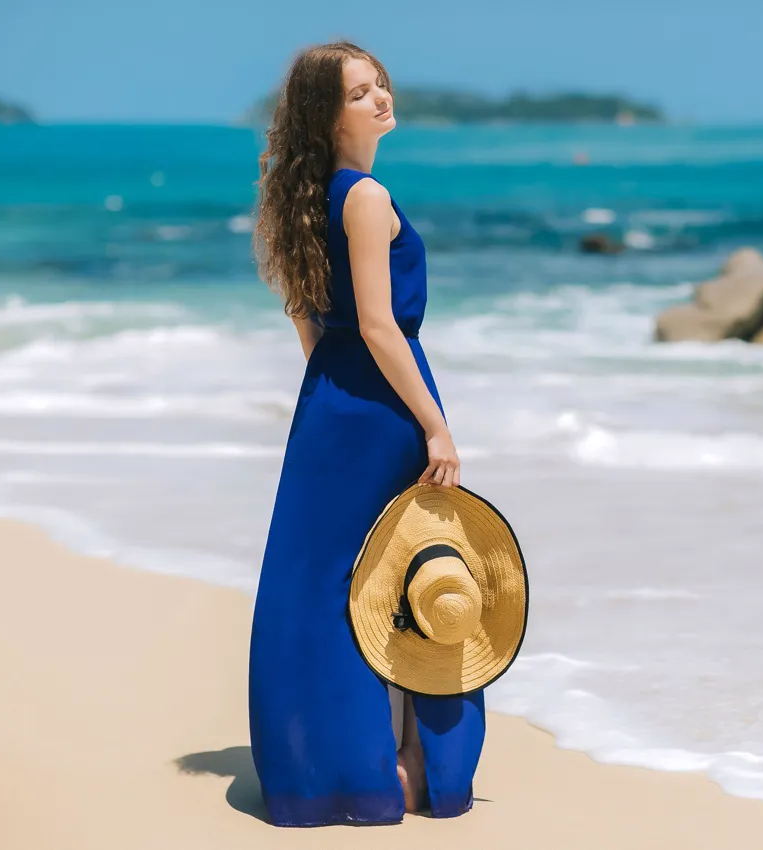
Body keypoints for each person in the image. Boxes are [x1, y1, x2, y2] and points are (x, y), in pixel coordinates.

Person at [246, 40, 483, 826]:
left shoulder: (312, 196)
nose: (380, 97)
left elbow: (308, 321)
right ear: (328, 114)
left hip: (332, 405)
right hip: (383, 405)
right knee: (409, 578)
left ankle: (326, 779)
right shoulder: (367, 199)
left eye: (379, 82)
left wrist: (331, 394)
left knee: (320, 587)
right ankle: (414, 776)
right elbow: (382, 328)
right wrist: (434, 425)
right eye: (358, 92)